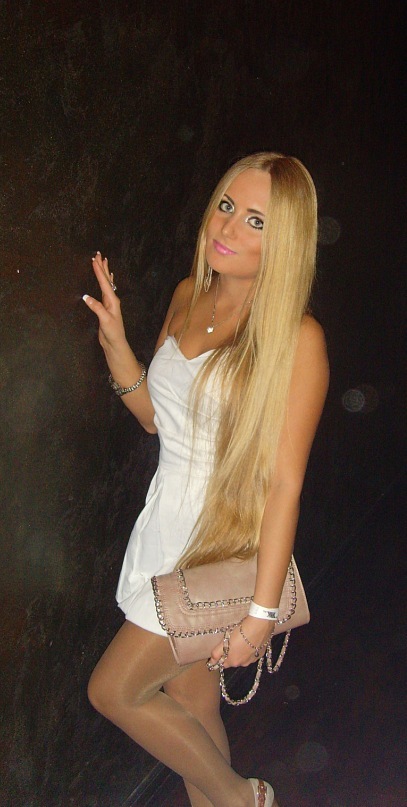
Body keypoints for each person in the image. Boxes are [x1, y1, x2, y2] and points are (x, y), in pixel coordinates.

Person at [83, 152, 329, 807]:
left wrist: (260, 615)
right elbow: (154, 420)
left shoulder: (296, 338)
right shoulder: (188, 294)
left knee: (113, 690)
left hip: (220, 542)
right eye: (226, 205)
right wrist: (116, 343)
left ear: (286, 242)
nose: (228, 227)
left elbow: (284, 485)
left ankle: (245, 798)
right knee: (190, 704)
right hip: (163, 521)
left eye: (256, 221)